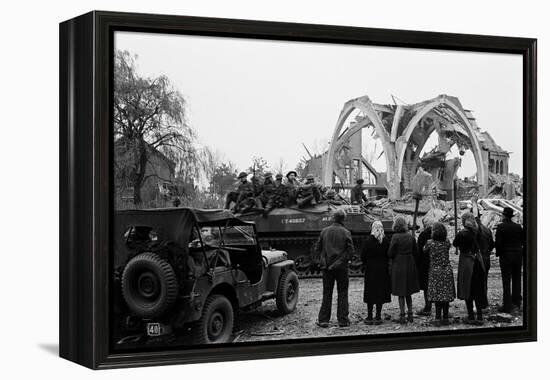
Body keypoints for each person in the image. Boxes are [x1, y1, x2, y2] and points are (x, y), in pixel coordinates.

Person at [314, 209, 355, 328]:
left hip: (326, 267)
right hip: (341, 267)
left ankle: (323, 320)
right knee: (342, 293)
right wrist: (339, 262)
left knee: (327, 293)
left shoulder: (324, 231)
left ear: (333, 218)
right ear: (343, 219)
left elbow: (317, 248)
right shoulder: (346, 232)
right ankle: (343, 320)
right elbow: (350, 251)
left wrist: (322, 262)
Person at [453, 212, 487, 324]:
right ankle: (480, 316)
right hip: (478, 261)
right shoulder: (479, 232)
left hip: (467, 263)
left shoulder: (462, 234)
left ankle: (471, 316)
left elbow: (455, 243)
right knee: (477, 289)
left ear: (464, 222)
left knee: (468, 288)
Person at [388, 216, 419, 324]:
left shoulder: (395, 237)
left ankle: (402, 315)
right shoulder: (410, 236)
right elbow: (416, 251)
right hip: (410, 263)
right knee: (408, 291)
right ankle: (410, 314)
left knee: (401, 291)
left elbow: (390, 253)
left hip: (399, 264)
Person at [424, 222, 456, 326]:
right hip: (446, 270)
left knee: (437, 295)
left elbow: (424, 250)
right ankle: (445, 317)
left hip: (435, 271)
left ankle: (438, 317)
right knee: (445, 295)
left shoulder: (430, 243)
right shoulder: (447, 242)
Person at [361, 220, 391, 325]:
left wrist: (367, 264)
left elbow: (363, 256)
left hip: (371, 270)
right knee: (380, 291)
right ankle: (378, 316)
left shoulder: (368, 241)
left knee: (370, 292)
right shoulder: (386, 241)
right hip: (383, 270)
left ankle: (369, 316)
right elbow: (389, 255)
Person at [495, 207, 524, 313]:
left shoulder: (501, 227)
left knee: (506, 281)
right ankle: (517, 303)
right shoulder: (518, 227)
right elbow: (522, 241)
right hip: (517, 256)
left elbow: (498, 243)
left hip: (506, 256)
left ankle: (507, 305)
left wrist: (499, 253)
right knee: (517, 279)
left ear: (503, 216)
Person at [415, 217, 434, 316]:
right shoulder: (437, 233)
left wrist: (417, 263)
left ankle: (428, 306)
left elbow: (419, 251)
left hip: (425, 264)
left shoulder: (423, 234)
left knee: (426, 286)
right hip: (435, 263)